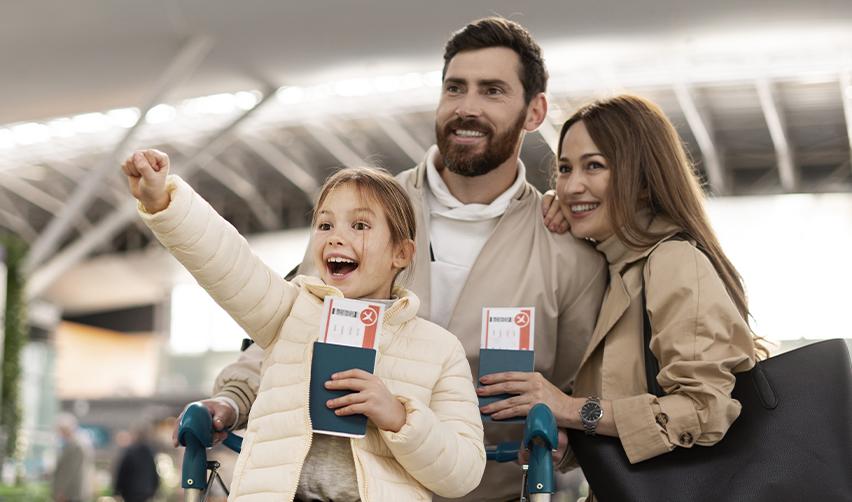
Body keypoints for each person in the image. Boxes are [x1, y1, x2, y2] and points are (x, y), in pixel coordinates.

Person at [197, 17, 607, 501]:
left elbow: (584, 392)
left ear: (535, 111)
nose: (467, 108)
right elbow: (291, 324)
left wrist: (565, 444)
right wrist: (233, 397)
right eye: (455, 89)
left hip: (490, 490)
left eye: (492, 91)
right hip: (357, 487)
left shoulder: (568, 253)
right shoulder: (361, 216)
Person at [122, 151, 486, 500]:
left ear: (401, 253)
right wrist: (164, 202)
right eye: (325, 224)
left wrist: (398, 416)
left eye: (359, 225)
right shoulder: (290, 312)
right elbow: (228, 262)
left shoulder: (439, 349)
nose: (336, 236)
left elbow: (464, 473)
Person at [478, 94, 766, 499]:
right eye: (564, 168)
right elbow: (622, 418)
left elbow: (703, 411)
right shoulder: (610, 271)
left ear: (644, 181)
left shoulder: (672, 261)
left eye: (594, 166)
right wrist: (566, 446)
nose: (571, 185)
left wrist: (570, 408)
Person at [113, 422, 160, 502]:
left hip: (130, 492)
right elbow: (154, 473)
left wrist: (117, 491)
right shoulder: (149, 453)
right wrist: (154, 490)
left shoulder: (129, 452)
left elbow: (122, 472)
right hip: (146, 492)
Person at [52, 413, 94, 502]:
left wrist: (62, 492)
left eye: (60, 430)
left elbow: (70, 472)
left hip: (72, 494)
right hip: (73, 493)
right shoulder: (78, 443)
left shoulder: (76, 445)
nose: (59, 433)